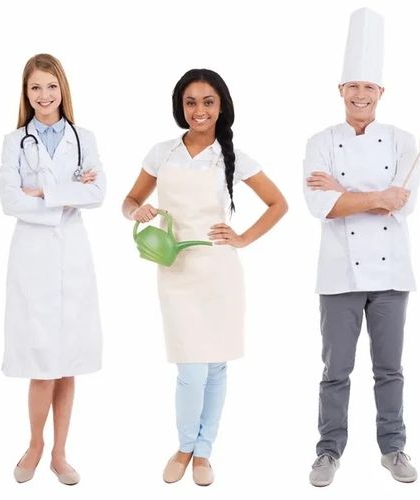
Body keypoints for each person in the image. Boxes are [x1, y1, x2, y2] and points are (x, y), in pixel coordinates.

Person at [123, 68, 287, 487]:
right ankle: (184, 446)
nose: (199, 110)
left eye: (207, 102)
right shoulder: (162, 152)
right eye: (191, 102)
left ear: (221, 106)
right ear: (181, 105)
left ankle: (204, 451)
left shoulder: (233, 156)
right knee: (190, 370)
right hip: (174, 271)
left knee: (215, 368)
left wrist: (244, 238)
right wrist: (136, 211)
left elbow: (277, 203)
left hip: (219, 273)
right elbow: (130, 200)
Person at [303, 8, 419, 487]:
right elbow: (320, 205)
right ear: (341, 91)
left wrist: (347, 195)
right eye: (353, 87)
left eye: (368, 87)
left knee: (389, 370)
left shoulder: (403, 140)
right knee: (336, 370)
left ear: (380, 93)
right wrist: (377, 197)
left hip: (392, 276)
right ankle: (328, 451)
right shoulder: (320, 141)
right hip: (338, 275)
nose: (360, 95)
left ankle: (393, 449)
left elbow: (405, 205)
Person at [0, 53, 103, 486]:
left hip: (73, 257)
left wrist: (41, 190)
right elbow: (10, 201)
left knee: (69, 362)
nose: (44, 96)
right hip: (33, 257)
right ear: (26, 94)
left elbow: (98, 193)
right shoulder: (14, 140)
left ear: (63, 89)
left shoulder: (84, 137)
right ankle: (35, 443)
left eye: (51, 86)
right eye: (35, 88)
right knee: (42, 361)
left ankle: (61, 452)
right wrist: (66, 194)